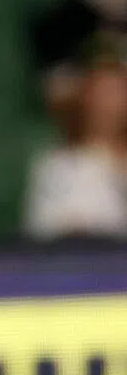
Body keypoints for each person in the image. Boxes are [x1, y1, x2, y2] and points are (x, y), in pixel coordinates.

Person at [24, 60, 127, 241]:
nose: (110, 104)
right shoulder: (57, 164)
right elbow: (42, 226)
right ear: (86, 99)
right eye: (101, 93)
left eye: (118, 92)